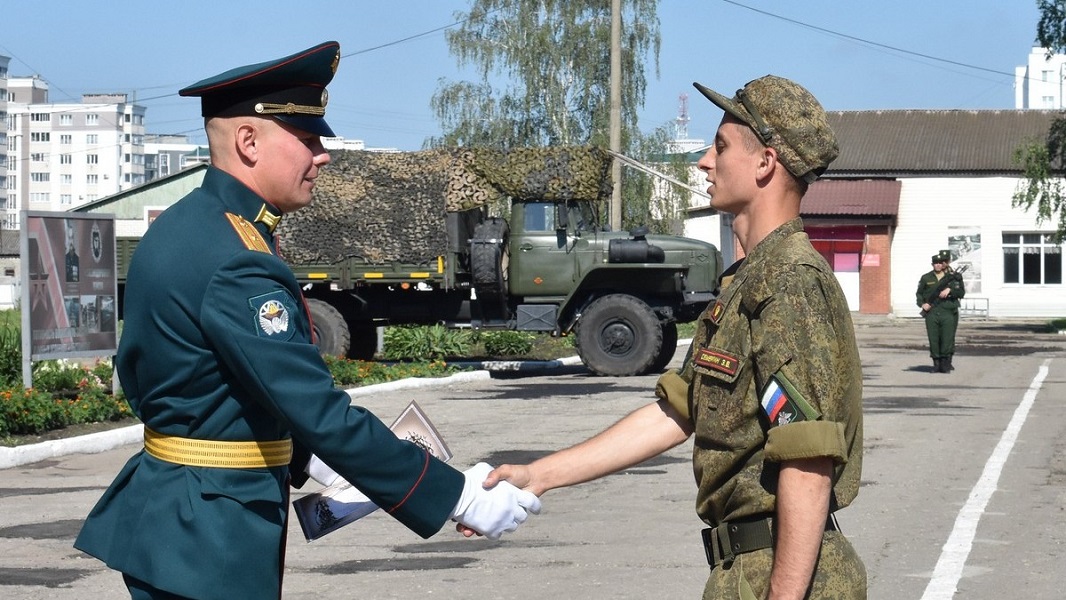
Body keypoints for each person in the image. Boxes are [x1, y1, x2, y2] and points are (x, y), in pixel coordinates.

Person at [74, 41, 540, 600]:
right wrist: (458, 496)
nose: (322, 156)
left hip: (183, 518)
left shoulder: (192, 226)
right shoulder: (234, 255)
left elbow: (205, 385)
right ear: (248, 141)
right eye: (308, 139)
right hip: (210, 532)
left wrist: (310, 458)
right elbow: (315, 408)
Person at [477, 75, 867, 599]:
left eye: (721, 147)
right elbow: (676, 413)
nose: (705, 162)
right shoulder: (746, 281)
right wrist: (540, 474)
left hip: (787, 575)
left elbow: (807, 459)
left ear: (765, 162)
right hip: (745, 571)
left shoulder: (790, 282)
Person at [916, 249, 965, 373]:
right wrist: (922, 304)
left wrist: (950, 291)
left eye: (941, 262)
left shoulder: (952, 277)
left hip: (947, 310)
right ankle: (936, 363)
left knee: (947, 338)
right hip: (932, 312)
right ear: (932, 264)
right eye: (936, 263)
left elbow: (961, 292)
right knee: (933, 338)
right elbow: (919, 294)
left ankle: (945, 363)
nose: (939, 265)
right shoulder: (926, 277)